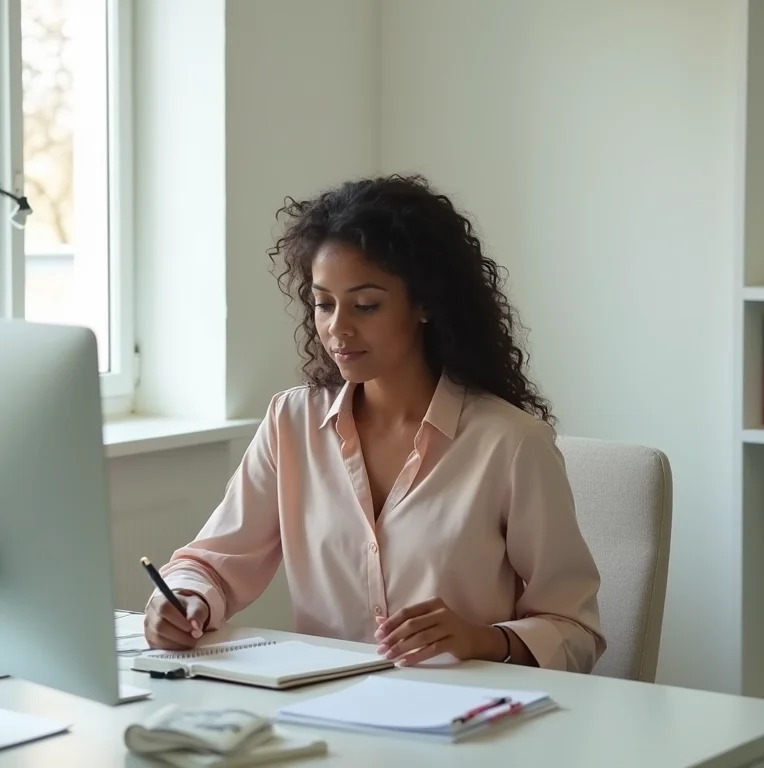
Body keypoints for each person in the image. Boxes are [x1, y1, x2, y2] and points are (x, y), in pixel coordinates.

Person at [144, 174, 606, 672]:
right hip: (327, 716)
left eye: (366, 305)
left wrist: (483, 640)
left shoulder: (512, 445)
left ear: (425, 303)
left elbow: (575, 631)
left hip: (465, 725)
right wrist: (182, 600)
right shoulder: (291, 422)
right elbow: (212, 562)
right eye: (323, 304)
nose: (337, 328)